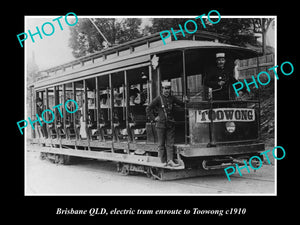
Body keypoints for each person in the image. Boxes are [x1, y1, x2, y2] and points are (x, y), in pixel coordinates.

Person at [146, 81, 186, 167]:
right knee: (161, 144)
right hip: (160, 125)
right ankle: (162, 161)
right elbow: (148, 108)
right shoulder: (158, 98)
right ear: (162, 89)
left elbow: (182, 104)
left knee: (170, 143)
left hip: (170, 124)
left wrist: (185, 101)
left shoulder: (172, 98)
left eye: (168, 88)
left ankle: (170, 160)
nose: (166, 90)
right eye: (165, 88)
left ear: (170, 89)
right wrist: (154, 118)